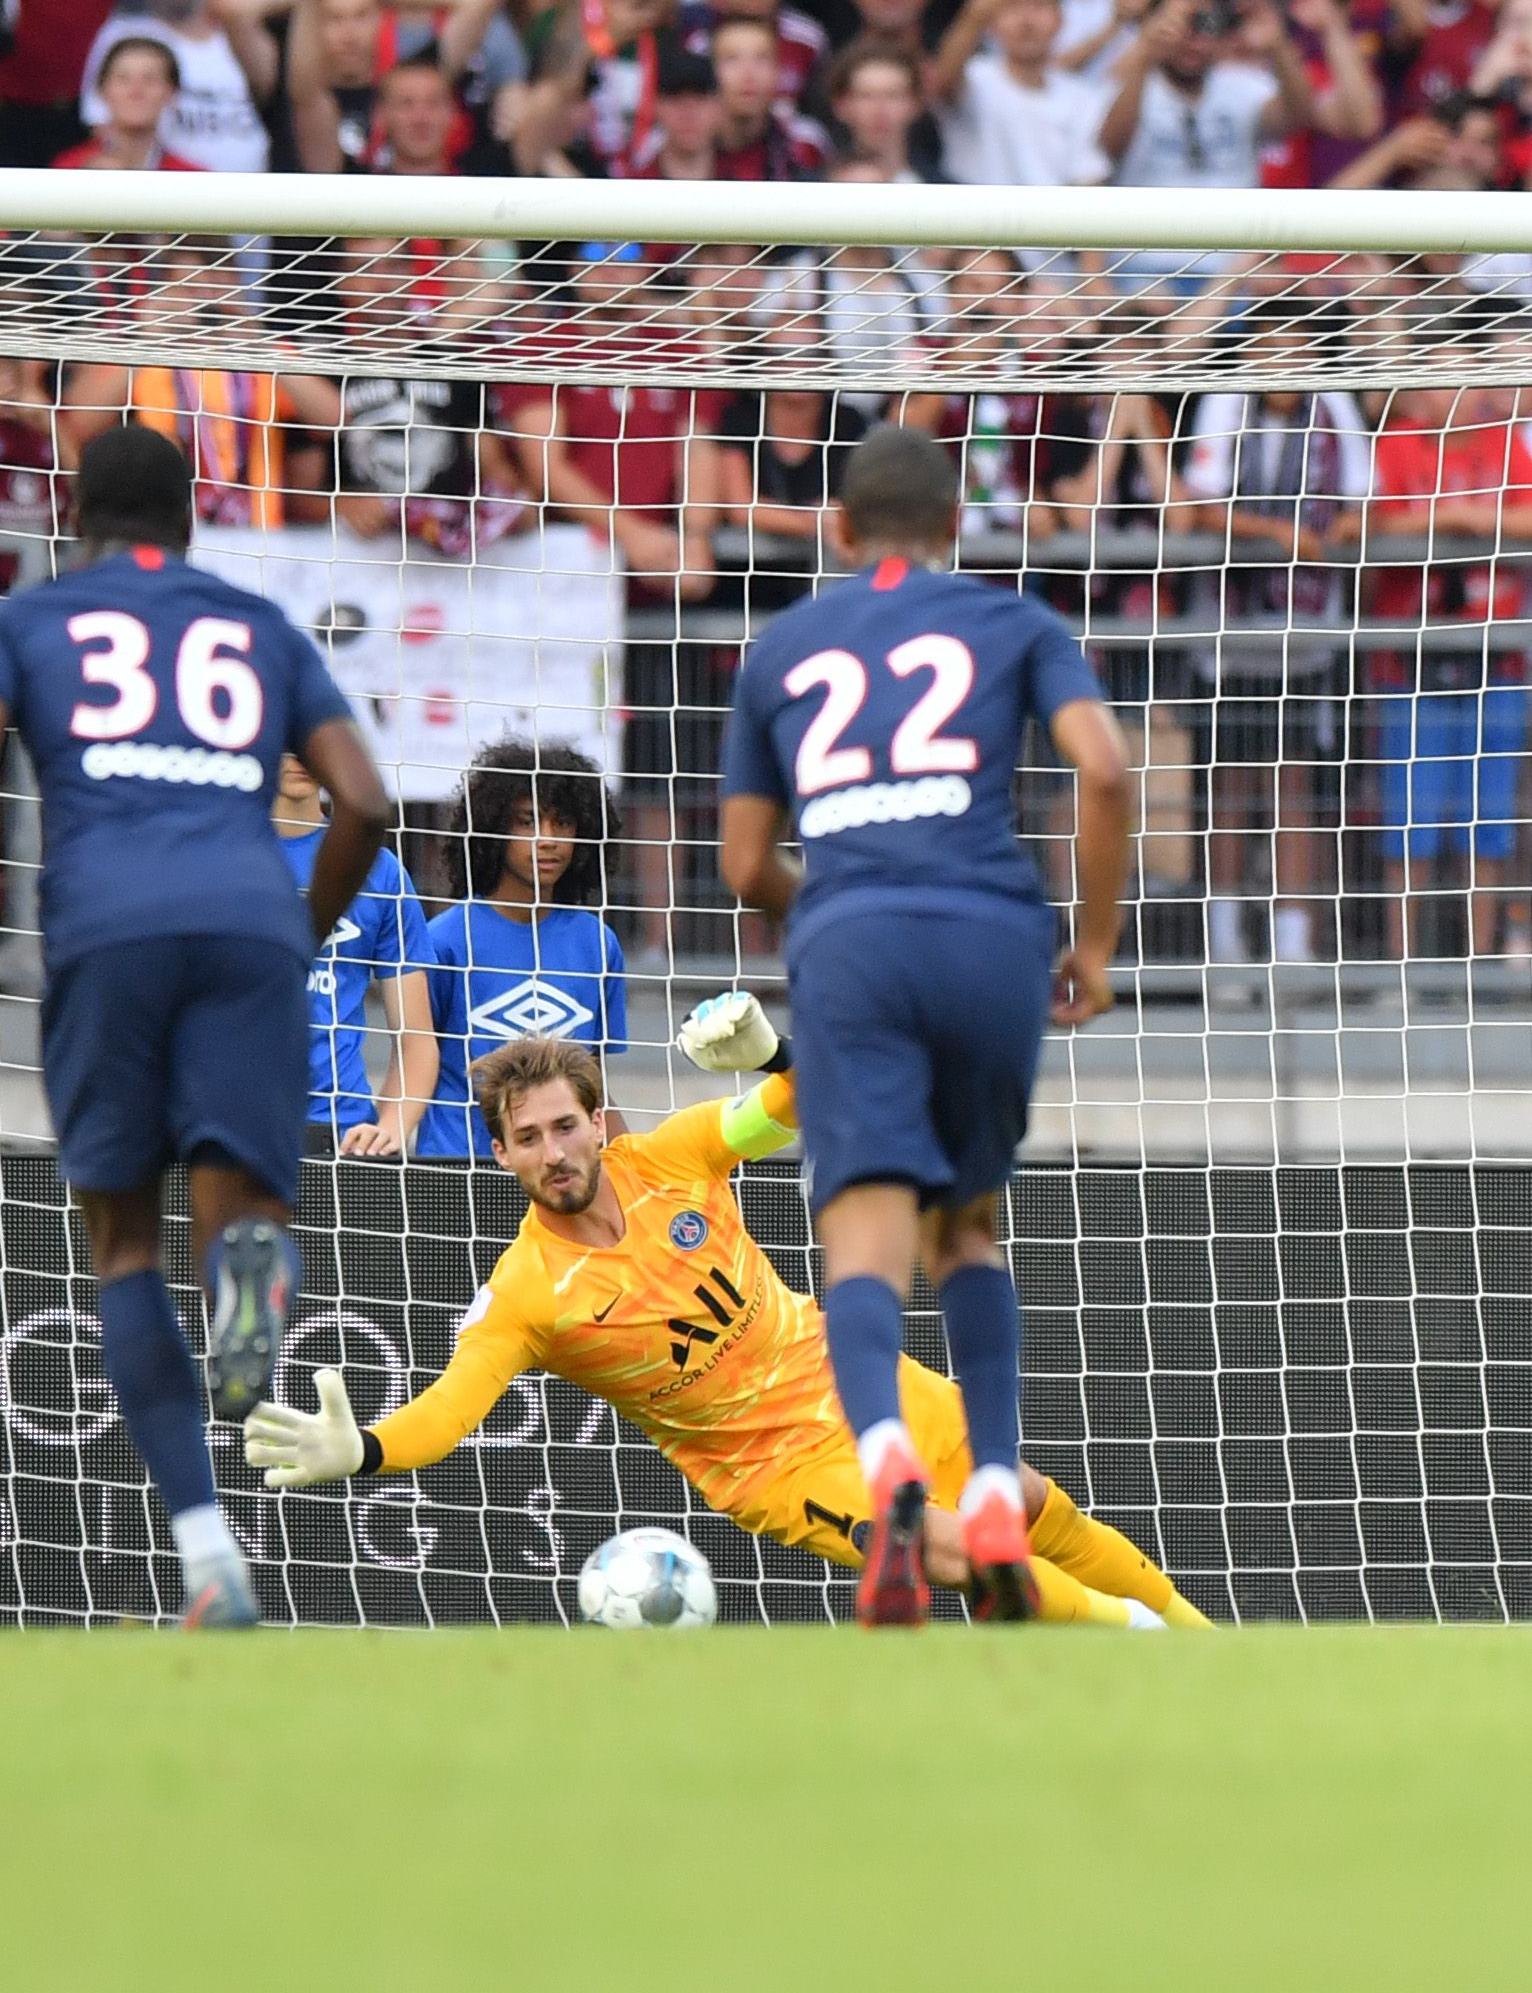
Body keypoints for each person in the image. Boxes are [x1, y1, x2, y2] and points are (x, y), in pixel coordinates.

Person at [244, 1003, 1203, 1627]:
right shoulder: (526, 1295)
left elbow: (801, 1101)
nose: (553, 1152)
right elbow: (449, 1411)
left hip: (858, 1385)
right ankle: (1150, 1649)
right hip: (776, 1466)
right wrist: (366, 1448)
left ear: (597, 1119)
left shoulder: (674, 1157)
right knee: (953, 1550)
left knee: (1030, 1505)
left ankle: (1198, 1639)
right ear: (500, 1156)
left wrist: (775, 1054)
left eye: (566, 1126)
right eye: (527, 1139)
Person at [0, 425, 395, 1627]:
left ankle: (206, 1557)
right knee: (238, 1207)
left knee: (123, 1241)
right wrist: (297, 931)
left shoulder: (20, 621)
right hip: (246, 920)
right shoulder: (261, 626)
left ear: (76, 517)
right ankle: (247, 1280)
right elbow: (369, 798)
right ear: (191, 519)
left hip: (104, 930)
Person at [718, 423, 1135, 1627]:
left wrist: (839, 907)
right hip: (992, 935)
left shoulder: (782, 645)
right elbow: (1104, 770)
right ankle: (995, 1483)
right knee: (968, 1228)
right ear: (959, 527)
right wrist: (1095, 946)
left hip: (855, 940)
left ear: (841, 531)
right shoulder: (1014, 621)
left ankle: (898, 1468)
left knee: (865, 1243)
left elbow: (746, 863)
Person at [410, 738, 628, 1159]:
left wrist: (634, 1164)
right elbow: (418, 1058)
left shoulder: (598, 943)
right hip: (460, 1167)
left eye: (563, 823)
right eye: (528, 822)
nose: (548, 839)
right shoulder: (444, 940)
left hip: (561, 1171)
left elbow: (593, 1085)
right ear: (493, 829)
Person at [276, 747, 431, 1161]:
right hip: (227, 1133)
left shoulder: (377, 870)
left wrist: (389, 1129)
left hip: (340, 1136)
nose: (300, 754)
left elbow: (416, 1039)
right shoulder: (213, 862)